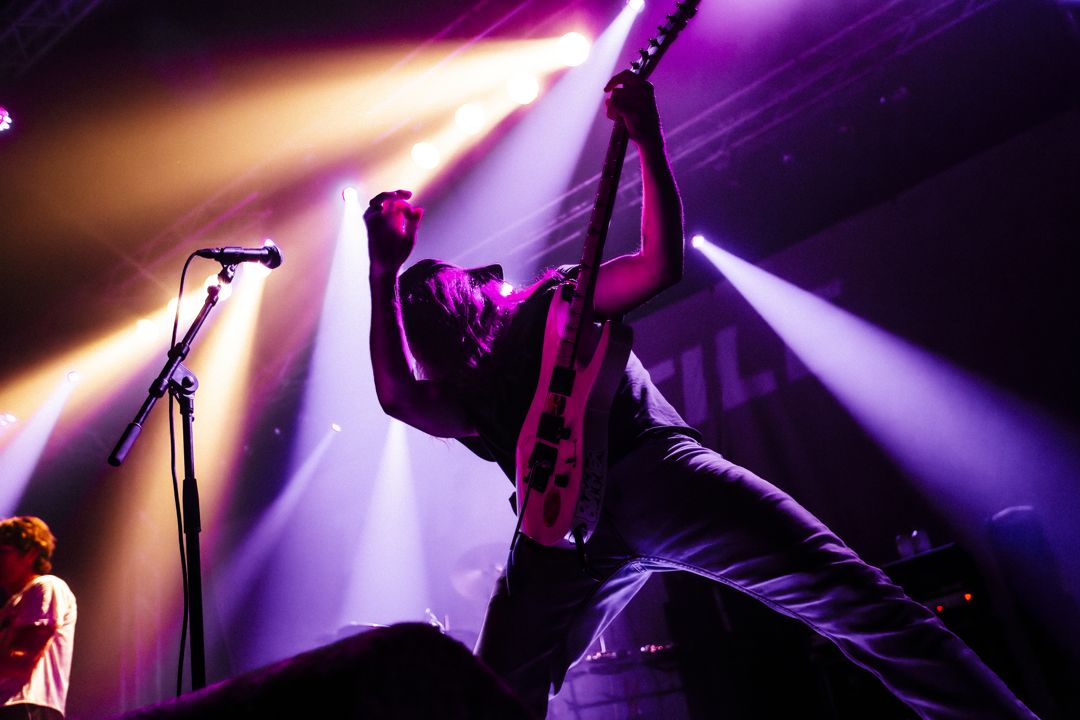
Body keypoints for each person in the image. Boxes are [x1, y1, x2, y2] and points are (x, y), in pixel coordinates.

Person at [363, 70, 1038, 719]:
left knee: (495, 697)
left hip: (569, 538)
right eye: (474, 282)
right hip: (657, 485)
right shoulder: (539, 313)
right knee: (860, 606)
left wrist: (381, 270)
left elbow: (398, 394)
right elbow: (660, 262)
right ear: (464, 301)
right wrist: (648, 139)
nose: (495, 281)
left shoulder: (492, 370)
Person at [0, 517, 76, 720]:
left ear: (31, 554)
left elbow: (22, 660)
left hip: (27, 707)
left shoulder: (46, 586)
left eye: (3, 552)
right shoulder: (11, 606)